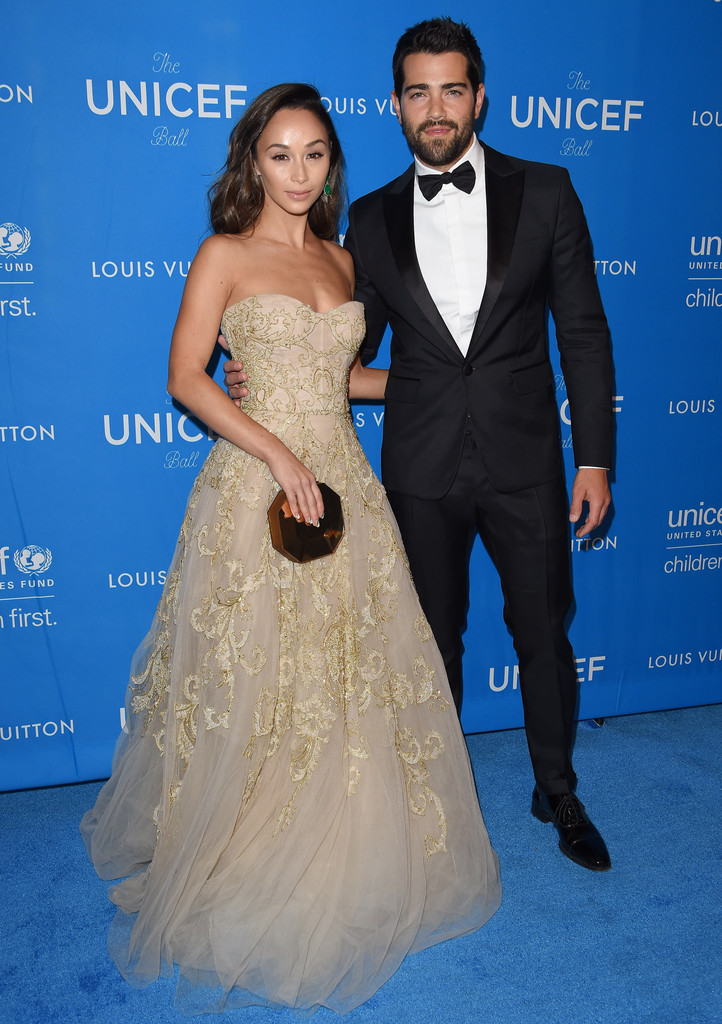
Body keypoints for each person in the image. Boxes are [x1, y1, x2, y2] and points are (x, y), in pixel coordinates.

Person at [80, 83, 500, 1016]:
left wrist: (448, 374)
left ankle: (337, 838)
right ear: (252, 162)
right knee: (260, 671)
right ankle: (245, 842)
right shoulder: (224, 254)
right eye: (281, 153)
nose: (300, 171)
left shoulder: (347, 263)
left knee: (345, 672)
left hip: (346, 489)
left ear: (330, 164)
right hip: (256, 490)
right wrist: (275, 453)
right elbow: (186, 376)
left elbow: (342, 377)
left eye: (315, 154)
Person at [223, 19, 615, 874]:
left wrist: (594, 456)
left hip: (526, 464)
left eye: (451, 89)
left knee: (542, 635)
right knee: (429, 641)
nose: (434, 108)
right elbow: (338, 350)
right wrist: (261, 373)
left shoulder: (547, 191)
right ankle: (430, 802)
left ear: (478, 96)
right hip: (417, 469)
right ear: (395, 104)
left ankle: (559, 789)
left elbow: (583, 331)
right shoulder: (364, 219)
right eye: (417, 92)